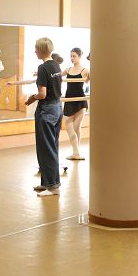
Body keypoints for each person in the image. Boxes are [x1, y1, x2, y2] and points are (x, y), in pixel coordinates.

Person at [26, 37, 63, 197]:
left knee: (46, 148)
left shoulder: (42, 68)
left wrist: (31, 98)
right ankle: (48, 182)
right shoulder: (56, 65)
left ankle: (53, 187)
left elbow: (42, 94)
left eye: (36, 48)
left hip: (47, 110)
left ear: (41, 50)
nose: (35, 51)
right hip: (57, 108)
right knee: (52, 146)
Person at [62, 48, 89, 161]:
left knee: (77, 127)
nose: (72, 58)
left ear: (79, 57)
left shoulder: (85, 70)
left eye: (74, 56)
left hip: (80, 100)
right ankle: (76, 152)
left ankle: (76, 152)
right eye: (71, 56)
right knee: (69, 126)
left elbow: (92, 79)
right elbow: (56, 75)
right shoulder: (68, 70)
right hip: (69, 100)